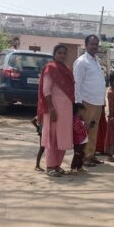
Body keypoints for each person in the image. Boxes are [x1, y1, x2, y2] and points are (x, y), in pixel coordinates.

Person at [38, 44, 75, 177]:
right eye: (59, 53)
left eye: (64, 53)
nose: (62, 55)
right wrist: (51, 108)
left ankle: (57, 165)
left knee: (63, 137)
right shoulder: (50, 68)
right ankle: (50, 167)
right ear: (54, 54)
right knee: (52, 137)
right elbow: (46, 90)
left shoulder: (67, 69)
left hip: (66, 110)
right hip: (54, 109)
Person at [73, 35, 107, 167]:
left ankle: (90, 155)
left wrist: (102, 100)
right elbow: (77, 83)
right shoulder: (81, 62)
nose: (94, 46)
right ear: (86, 45)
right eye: (92, 44)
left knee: (93, 131)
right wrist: (78, 103)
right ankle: (83, 158)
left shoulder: (96, 61)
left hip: (97, 102)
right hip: (86, 102)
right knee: (84, 130)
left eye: (96, 44)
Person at [70, 103, 93, 174]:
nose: (84, 113)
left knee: (81, 154)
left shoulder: (80, 119)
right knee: (77, 154)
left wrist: (88, 126)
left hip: (83, 140)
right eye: (83, 111)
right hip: (79, 141)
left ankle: (79, 167)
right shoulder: (75, 120)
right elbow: (77, 130)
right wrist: (85, 128)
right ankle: (73, 168)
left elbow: (83, 127)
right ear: (79, 111)